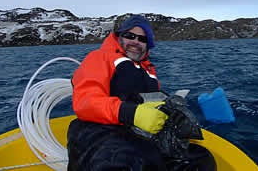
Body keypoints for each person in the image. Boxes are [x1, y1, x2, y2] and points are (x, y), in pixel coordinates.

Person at [67, 15, 216, 171]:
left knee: (200, 158)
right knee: (120, 161)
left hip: (140, 135)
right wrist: (131, 113)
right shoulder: (99, 57)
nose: (135, 42)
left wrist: (171, 112)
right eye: (130, 36)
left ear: (147, 44)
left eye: (142, 39)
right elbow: (86, 102)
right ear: (119, 37)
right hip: (100, 130)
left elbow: (151, 104)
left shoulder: (149, 71)